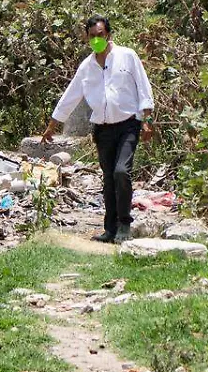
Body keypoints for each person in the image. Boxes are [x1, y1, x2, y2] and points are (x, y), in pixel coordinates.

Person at [42, 16, 155, 243]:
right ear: (87, 38)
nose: (96, 40)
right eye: (92, 36)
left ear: (108, 35)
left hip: (127, 125)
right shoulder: (87, 66)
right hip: (102, 130)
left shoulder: (127, 56)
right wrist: (53, 124)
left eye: (100, 35)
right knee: (108, 179)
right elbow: (70, 96)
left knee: (121, 172)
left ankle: (124, 224)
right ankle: (110, 229)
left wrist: (146, 119)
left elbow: (143, 88)